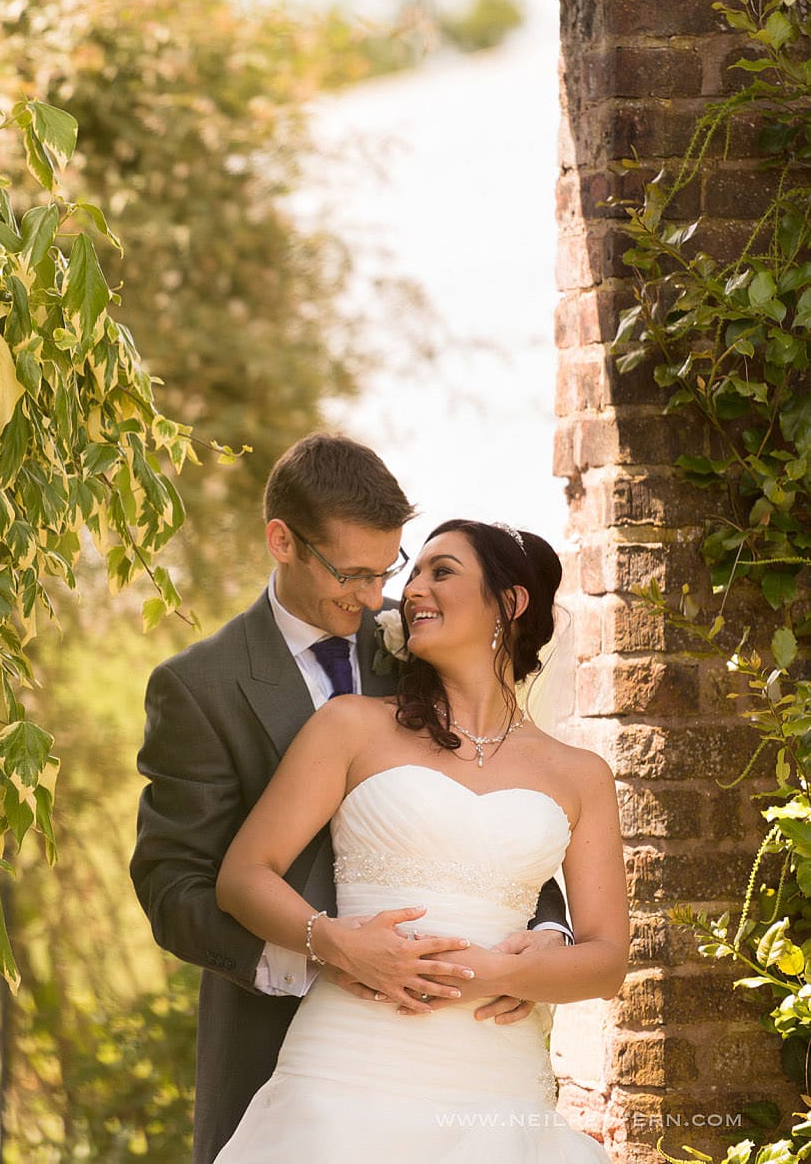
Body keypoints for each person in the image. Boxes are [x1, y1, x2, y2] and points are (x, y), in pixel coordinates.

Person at [130, 435, 573, 1162]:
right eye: (353, 574)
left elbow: (502, 802)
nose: (377, 597)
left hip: (465, 1048)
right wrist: (323, 949)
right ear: (283, 541)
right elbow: (171, 885)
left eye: (386, 569)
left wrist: (545, 939)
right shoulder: (198, 687)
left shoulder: (425, 640)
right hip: (287, 1045)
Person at [211, 518, 622, 1158]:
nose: (413, 590)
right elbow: (244, 876)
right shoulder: (351, 727)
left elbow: (606, 959)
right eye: (415, 573)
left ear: (510, 604)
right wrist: (338, 944)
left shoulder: (581, 775)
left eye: (442, 571)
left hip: (497, 1084)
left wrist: (498, 971)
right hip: (346, 1066)